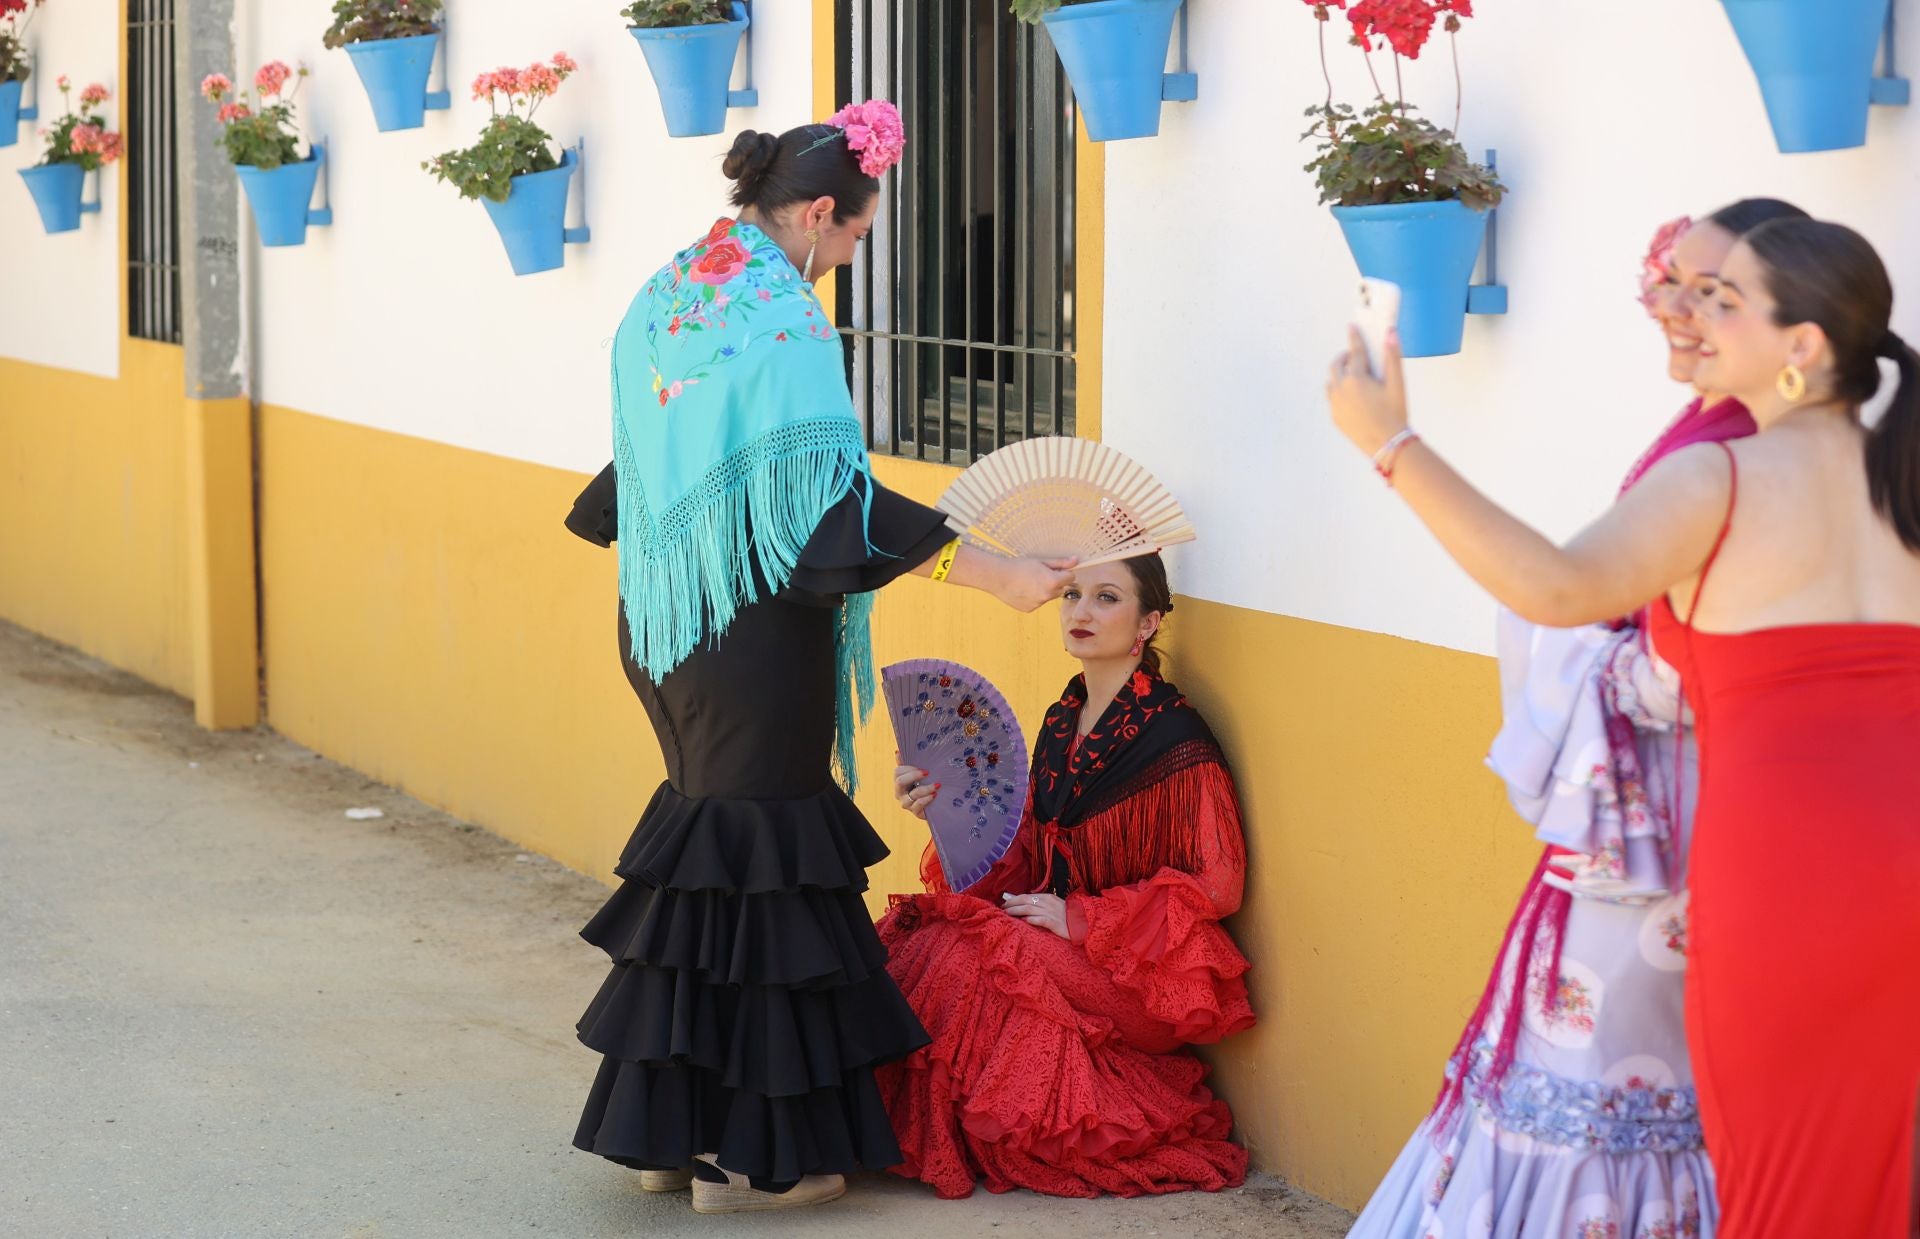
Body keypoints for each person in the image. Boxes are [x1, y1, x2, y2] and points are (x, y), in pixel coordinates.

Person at [1326, 217, 1920, 1239]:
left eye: (1724, 302)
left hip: (1782, 881)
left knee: (1775, 1188)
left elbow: (1556, 587)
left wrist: (1391, 443)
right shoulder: (1900, 480)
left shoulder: (1721, 479)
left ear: (1804, 347)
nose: (1691, 314)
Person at [563, 103, 1074, 1216]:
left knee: (711, 847)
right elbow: (820, 506)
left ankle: (672, 1136)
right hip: (750, 632)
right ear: (814, 213)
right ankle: (752, 1158)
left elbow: (656, 454)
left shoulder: (684, 286)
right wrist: (994, 570)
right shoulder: (779, 314)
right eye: (851, 238)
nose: (848, 261)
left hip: (667, 617)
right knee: (764, 858)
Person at [877, 553, 1256, 1199]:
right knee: (925, 937)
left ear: (1149, 621)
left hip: (1142, 978)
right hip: (1059, 952)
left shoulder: (1174, 736)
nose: (1081, 611)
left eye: (1107, 597)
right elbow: (1020, 858)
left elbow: (1220, 883)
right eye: (1073, 593)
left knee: (968, 948)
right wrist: (940, 806)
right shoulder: (1062, 719)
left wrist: (1080, 917)